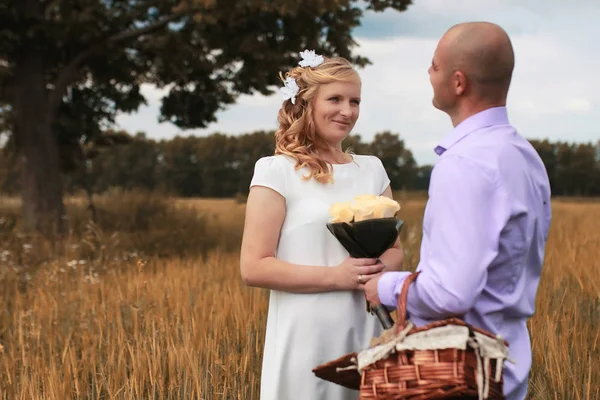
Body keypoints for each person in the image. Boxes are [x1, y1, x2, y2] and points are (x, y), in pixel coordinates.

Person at [364, 22, 552, 400]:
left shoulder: (465, 162)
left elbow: (449, 295)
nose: (428, 74)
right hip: (509, 365)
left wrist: (381, 286)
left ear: (459, 82)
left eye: (434, 66)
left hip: (460, 373)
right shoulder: (525, 157)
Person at [240, 51, 404, 400]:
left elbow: (395, 251)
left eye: (355, 101)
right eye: (335, 99)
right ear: (306, 104)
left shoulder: (372, 169)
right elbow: (253, 267)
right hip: (305, 335)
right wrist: (336, 277)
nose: (347, 111)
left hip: (367, 330)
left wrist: (376, 270)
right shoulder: (276, 172)